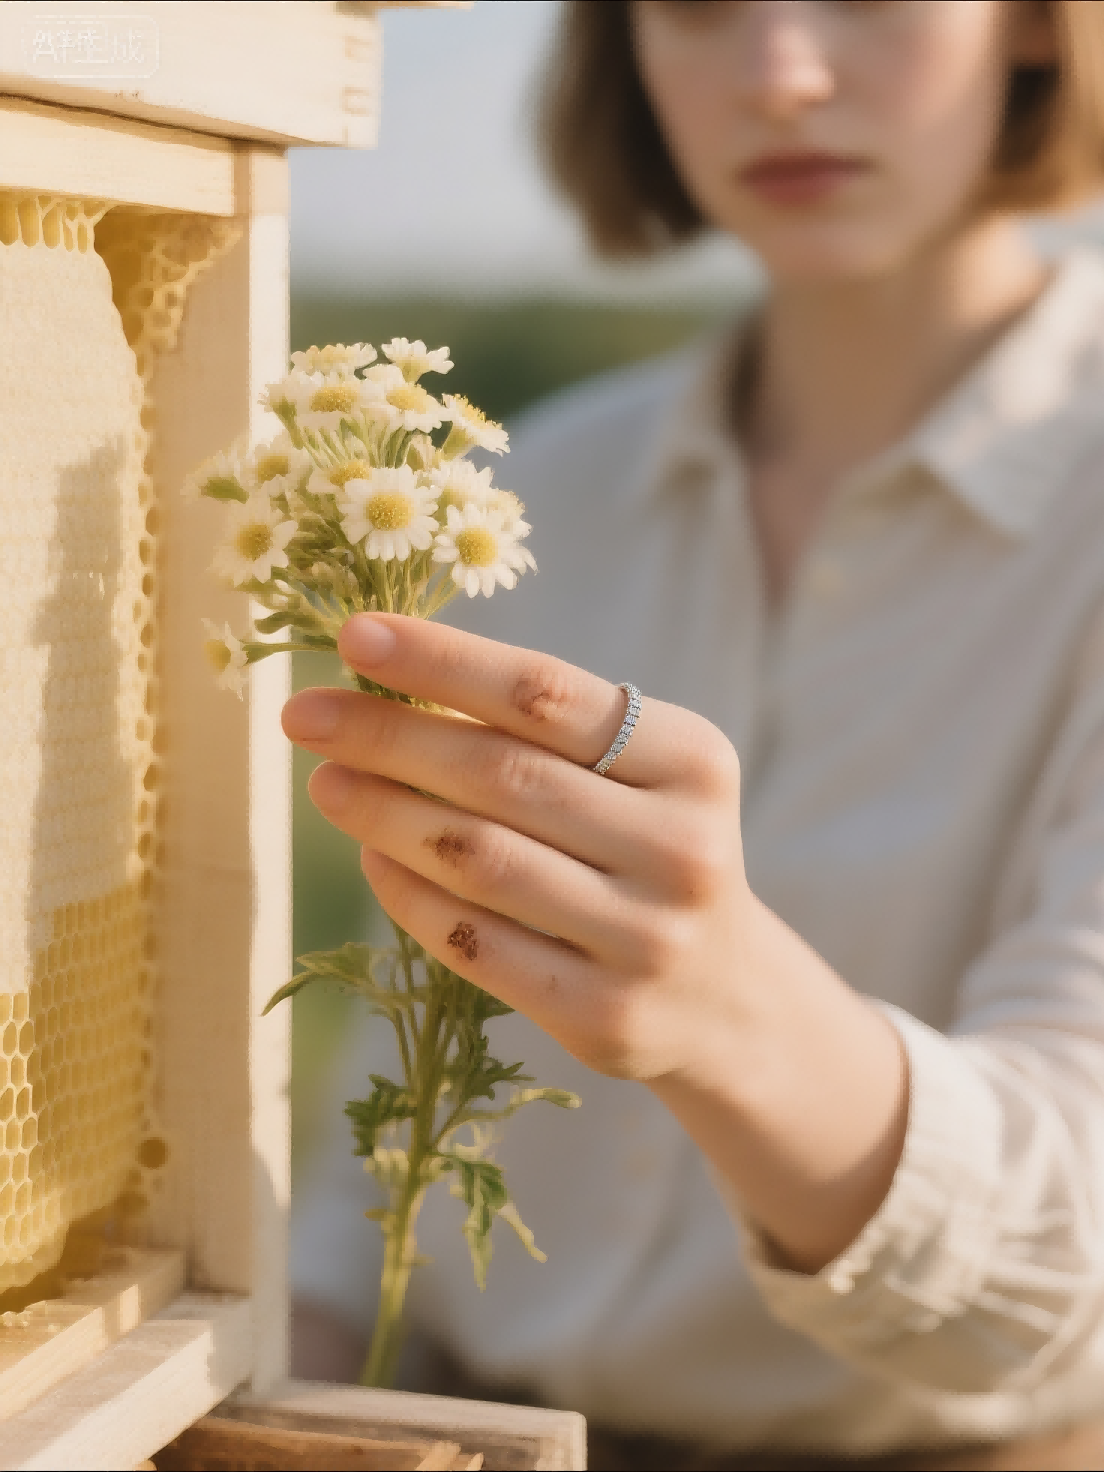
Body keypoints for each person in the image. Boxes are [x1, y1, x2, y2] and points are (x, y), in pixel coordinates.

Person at [284, 3, 1104, 1466]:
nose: (781, 75)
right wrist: (289, 1356)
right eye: (701, 5)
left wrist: (732, 1016)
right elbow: (397, 1088)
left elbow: (1066, 1274)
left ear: (1040, 27)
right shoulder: (535, 494)